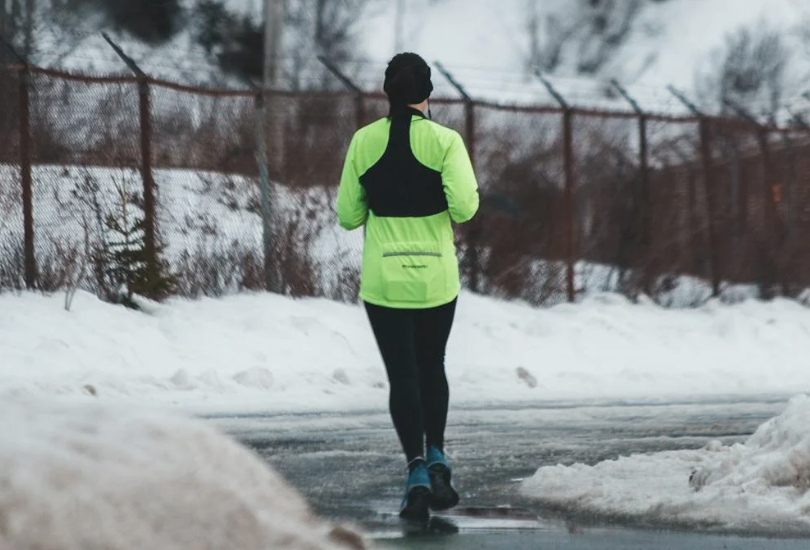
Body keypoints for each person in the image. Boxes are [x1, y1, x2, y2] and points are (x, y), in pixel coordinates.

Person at [336, 52, 480, 521]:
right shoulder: (446, 142)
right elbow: (464, 209)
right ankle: (437, 454)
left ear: (387, 92)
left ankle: (416, 471)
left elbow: (348, 215)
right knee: (432, 364)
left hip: (385, 281)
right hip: (436, 278)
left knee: (403, 375)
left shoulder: (363, 142)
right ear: (428, 94)